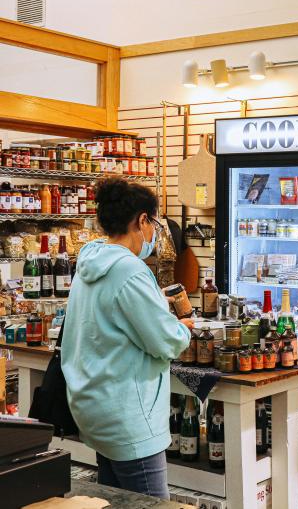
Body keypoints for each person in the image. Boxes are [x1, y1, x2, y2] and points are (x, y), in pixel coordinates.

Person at [61, 178, 192, 499]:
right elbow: (165, 341)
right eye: (155, 224)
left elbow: (109, 318)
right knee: (150, 504)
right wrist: (184, 326)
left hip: (95, 406)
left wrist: (152, 300)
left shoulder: (90, 260)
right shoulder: (130, 271)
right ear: (142, 220)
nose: (154, 235)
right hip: (129, 417)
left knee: (114, 500)